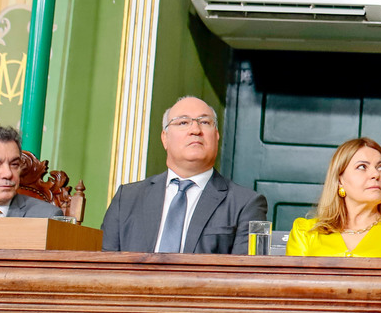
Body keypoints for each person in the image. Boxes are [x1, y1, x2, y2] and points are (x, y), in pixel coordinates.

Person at [101, 95, 268, 254]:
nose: (195, 130)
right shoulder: (127, 198)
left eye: (204, 122)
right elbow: (102, 270)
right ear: (165, 138)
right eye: (183, 122)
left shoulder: (247, 204)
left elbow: (247, 277)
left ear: (216, 136)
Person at [285, 137, 381, 259]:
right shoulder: (306, 233)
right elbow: (290, 291)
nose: (376, 174)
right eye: (362, 167)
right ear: (339, 181)